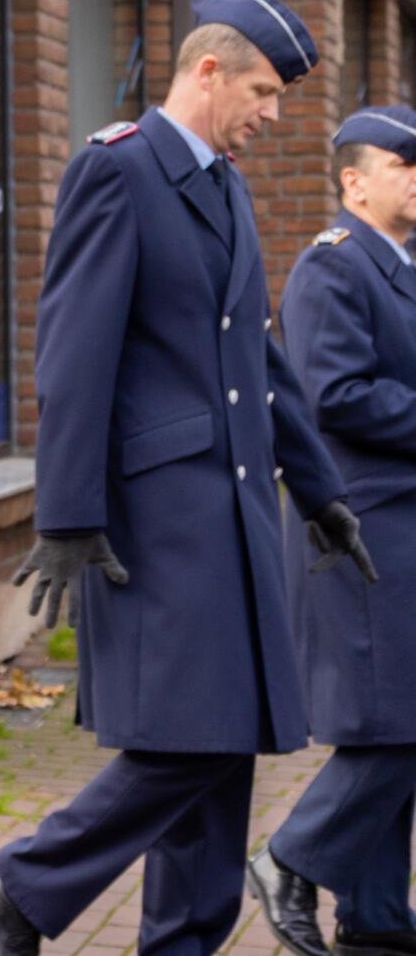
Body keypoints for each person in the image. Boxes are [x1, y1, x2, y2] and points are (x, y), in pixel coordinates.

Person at [0, 0, 376, 955]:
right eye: (264, 92)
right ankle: (20, 884)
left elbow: (260, 360)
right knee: (193, 741)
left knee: (223, 749)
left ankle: (182, 937)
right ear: (207, 72)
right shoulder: (119, 173)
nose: (272, 116)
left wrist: (322, 493)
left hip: (230, 514)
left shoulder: (225, 185)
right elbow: (73, 353)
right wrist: (65, 514)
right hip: (153, 520)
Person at [245, 106, 416, 956]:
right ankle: (289, 855)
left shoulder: (400, 268)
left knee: (394, 723)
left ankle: (378, 919)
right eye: (403, 164)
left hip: (398, 530)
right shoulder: (330, 268)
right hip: (362, 530)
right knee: (403, 719)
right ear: (354, 181)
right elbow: (334, 393)